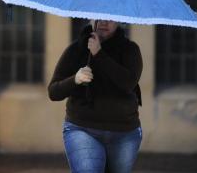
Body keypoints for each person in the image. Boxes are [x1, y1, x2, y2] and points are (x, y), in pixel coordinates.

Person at [48, 19, 143, 173]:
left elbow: (128, 83)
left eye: (110, 18)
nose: (104, 22)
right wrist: (75, 79)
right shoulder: (76, 49)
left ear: (119, 21)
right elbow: (53, 92)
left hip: (124, 132)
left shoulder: (130, 50)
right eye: (100, 17)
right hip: (82, 128)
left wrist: (99, 54)